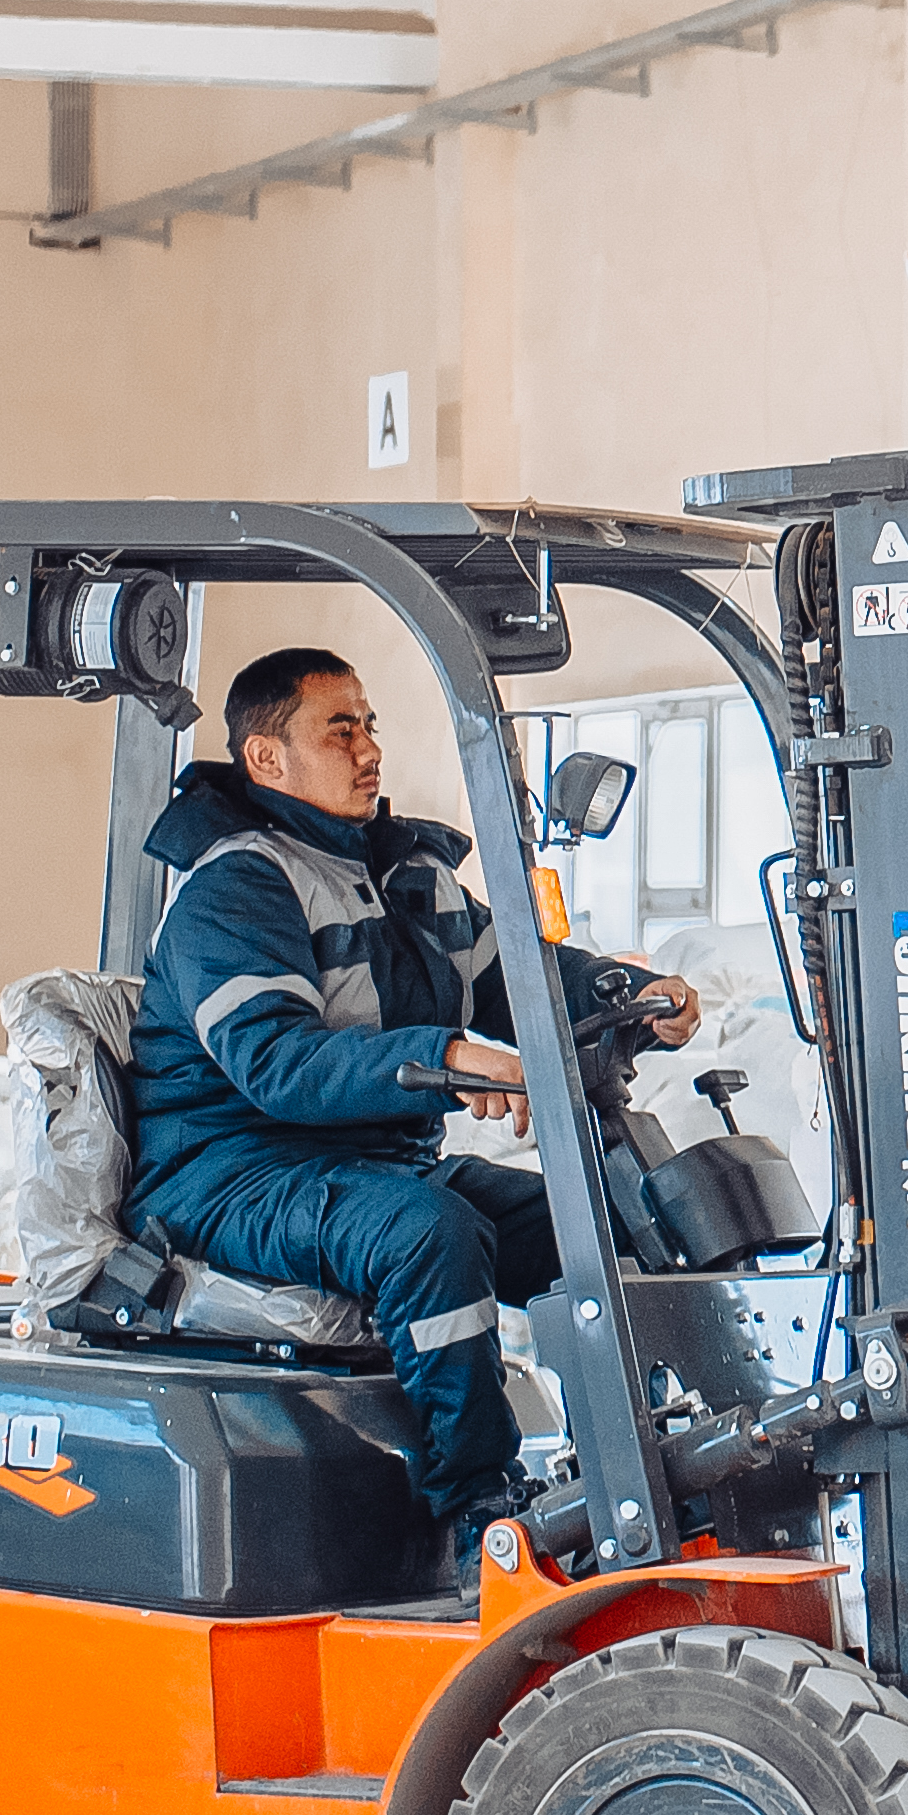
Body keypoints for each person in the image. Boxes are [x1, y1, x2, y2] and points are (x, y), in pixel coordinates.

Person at [128, 646, 695, 1559]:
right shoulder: (234, 886)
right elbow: (278, 1062)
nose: (368, 750)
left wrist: (626, 994)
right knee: (428, 1232)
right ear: (267, 757)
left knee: (596, 1214)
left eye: (370, 725)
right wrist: (450, 1056)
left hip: (371, 1167)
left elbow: (518, 975)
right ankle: (479, 1513)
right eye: (338, 728)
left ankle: (643, 1469)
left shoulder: (404, 875)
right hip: (231, 1174)